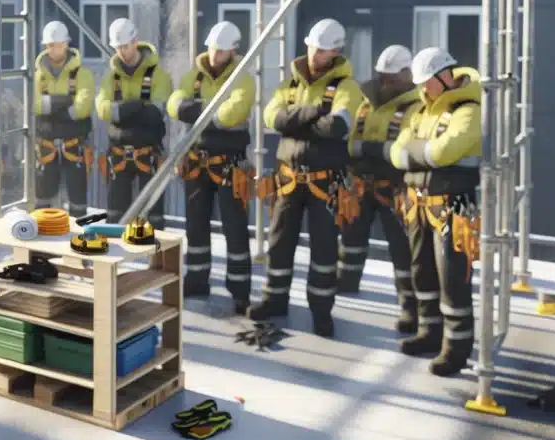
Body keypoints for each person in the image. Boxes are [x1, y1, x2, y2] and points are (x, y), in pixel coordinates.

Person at [254, 18, 362, 337]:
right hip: (288, 179)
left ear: (336, 52)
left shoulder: (347, 88)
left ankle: (321, 311)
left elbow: (337, 127)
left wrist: (295, 121)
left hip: (324, 182)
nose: (316, 56)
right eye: (314, 49)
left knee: (324, 248)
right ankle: (274, 300)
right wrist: (312, 113)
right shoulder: (291, 85)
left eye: (324, 51)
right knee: (279, 242)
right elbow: (272, 118)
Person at [387, 47, 481, 376]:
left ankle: (456, 349)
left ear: (445, 75)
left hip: (452, 206)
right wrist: (420, 152)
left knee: (453, 277)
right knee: (422, 271)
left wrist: (415, 152)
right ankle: (430, 333)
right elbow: (395, 152)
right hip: (419, 204)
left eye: (428, 82)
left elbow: (444, 152)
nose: (424, 88)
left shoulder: (468, 109)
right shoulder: (421, 111)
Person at [167, 21, 256, 315]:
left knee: (235, 228)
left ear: (233, 50)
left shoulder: (242, 78)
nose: (216, 56)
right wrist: (205, 110)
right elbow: (174, 103)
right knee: (196, 224)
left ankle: (240, 289)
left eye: (222, 52)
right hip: (197, 162)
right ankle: (196, 280)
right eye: (213, 50)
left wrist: (197, 110)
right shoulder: (194, 75)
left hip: (229, 164)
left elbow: (232, 114)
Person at [342, 45, 421, 334]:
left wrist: (372, 149)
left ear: (407, 74)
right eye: (383, 76)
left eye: (392, 77)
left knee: (402, 248)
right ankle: (346, 281)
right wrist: (376, 149)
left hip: (395, 189)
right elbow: (350, 142)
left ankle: (409, 305)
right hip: (362, 184)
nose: (386, 83)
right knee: (351, 235)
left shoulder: (416, 106)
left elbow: (406, 149)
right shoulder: (365, 103)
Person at [95, 17, 171, 228]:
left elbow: (156, 113)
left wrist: (120, 111)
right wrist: (138, 105)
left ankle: (156, 260)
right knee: (116, 213)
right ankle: (119, 257)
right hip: (119, 154)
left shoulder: (158, 76)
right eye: (118, 47)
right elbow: (102, 110)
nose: (122, 52)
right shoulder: (110, 78)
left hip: (148, 153)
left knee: (153, 216)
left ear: (135, 42)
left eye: (125, 46)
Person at [33, 20, 95, 219]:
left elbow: (82, 108)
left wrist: (49, 106)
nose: (54, 49)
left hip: (74, 147)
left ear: (66, 44)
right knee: (42, 200)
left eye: (58, 44)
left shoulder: (83, 75)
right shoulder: (38, 77)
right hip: (46, 147)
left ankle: (78, 244)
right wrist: (66, 102)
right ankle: (44, 247)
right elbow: (33, 105)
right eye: (50, 45)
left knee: (77, 202)